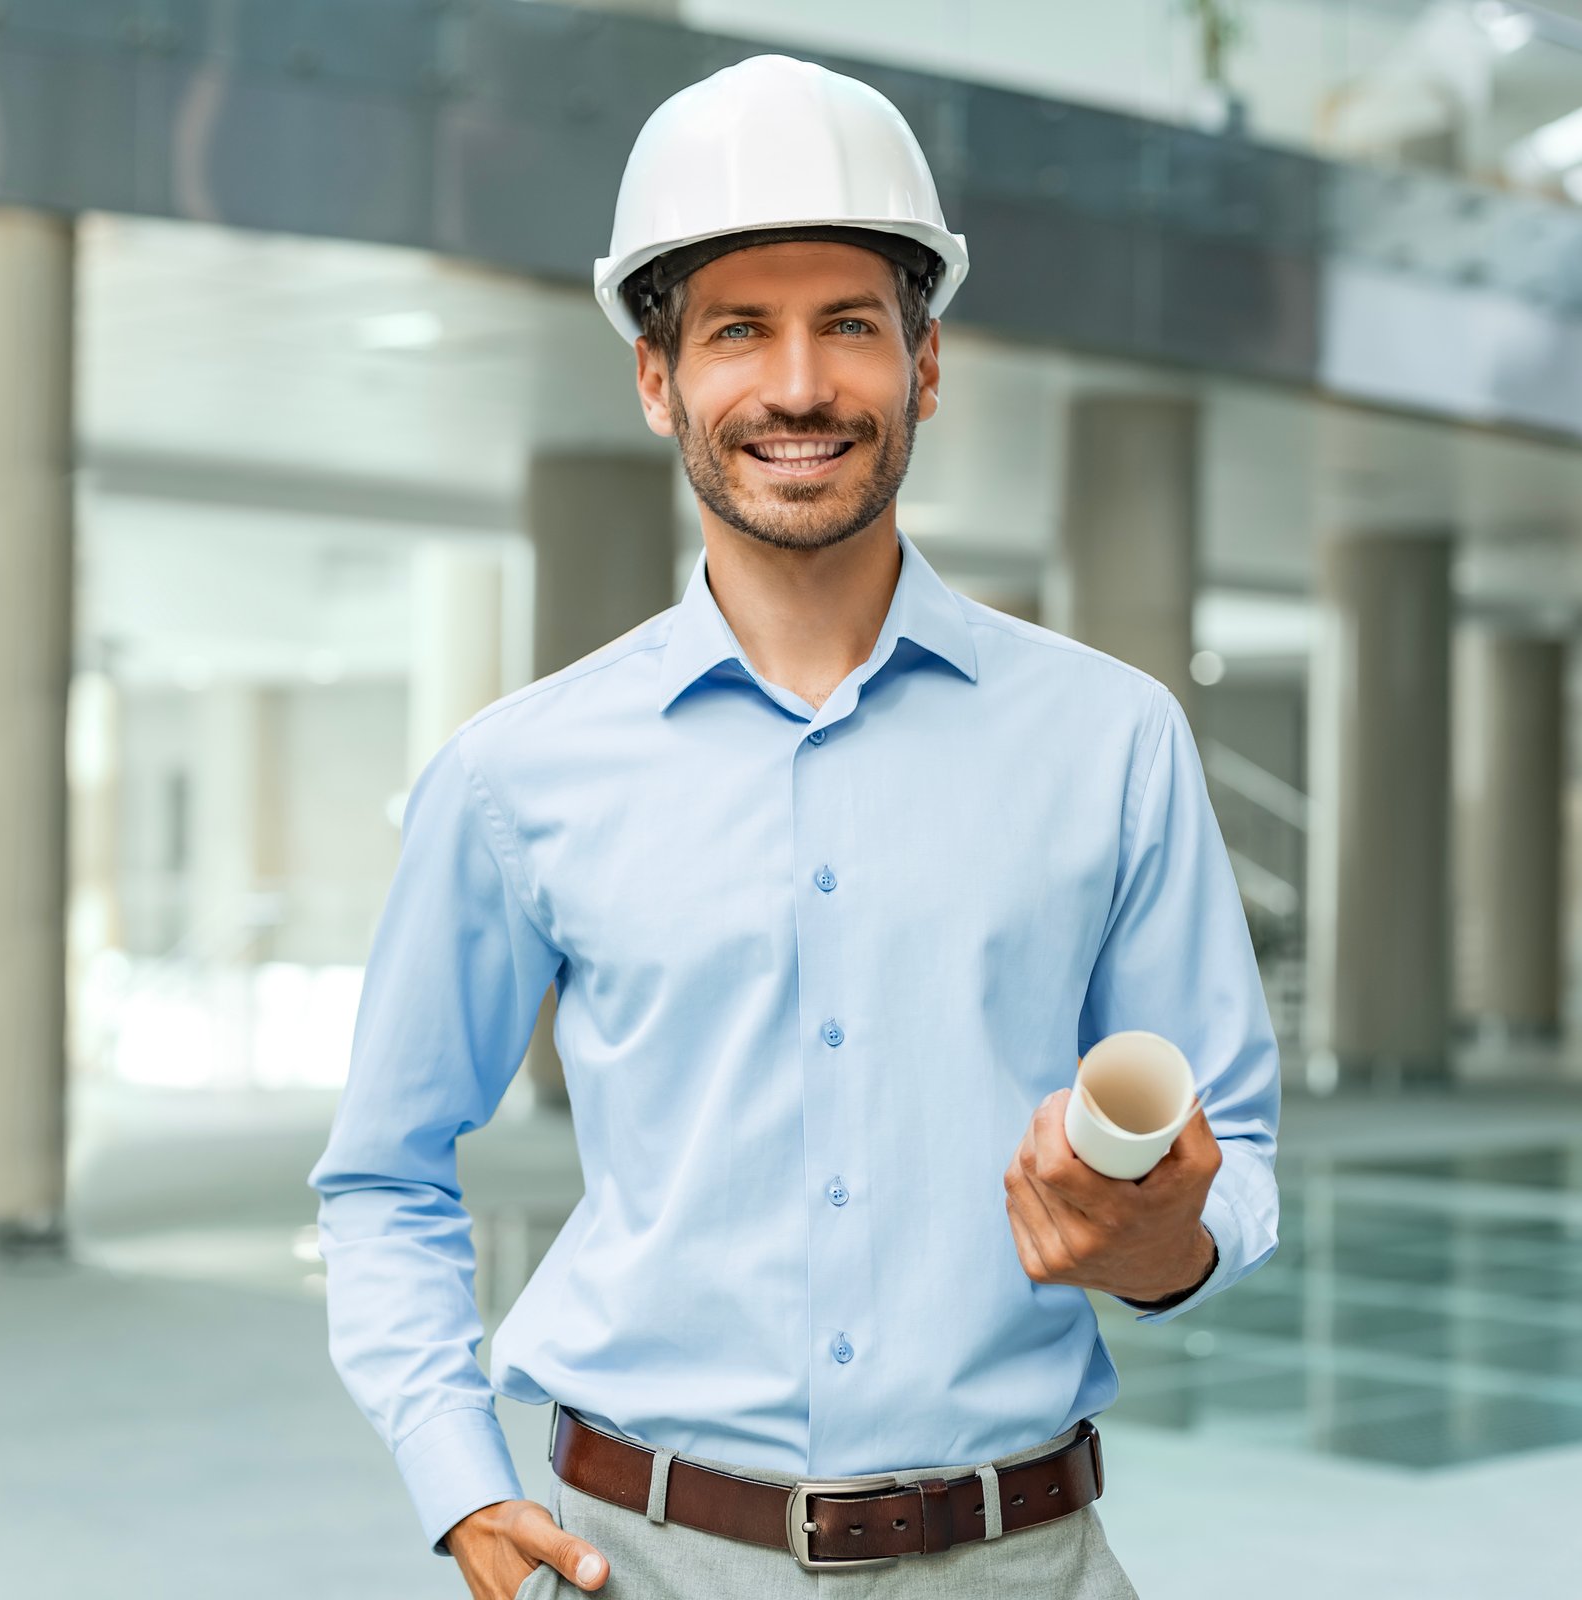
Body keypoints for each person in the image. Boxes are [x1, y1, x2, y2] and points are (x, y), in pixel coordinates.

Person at [309, 53, 1281, 1600]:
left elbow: (1233, 1161)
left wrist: (1153, 1239)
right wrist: (455, 1475)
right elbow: (386, 1173)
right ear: (657, 379)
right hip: (638, 1559)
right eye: (737, 332)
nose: (802, 387)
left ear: (928, 363)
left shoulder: (1110, 740)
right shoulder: (519, 774)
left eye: (851, 326)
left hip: (1015, 1562)